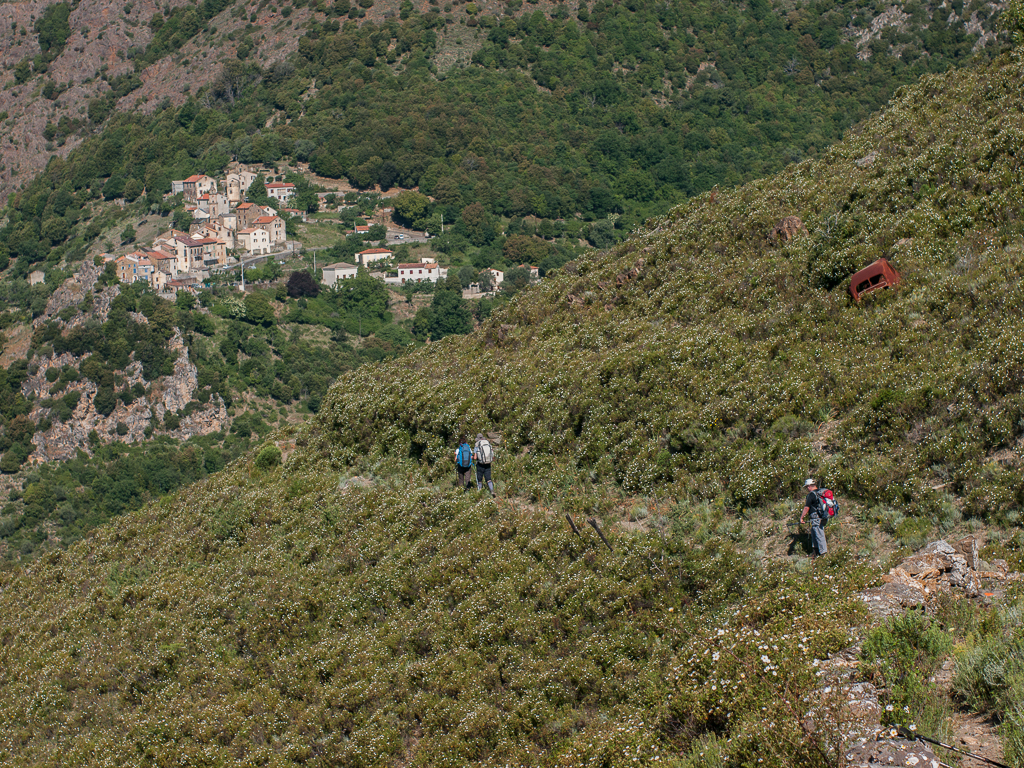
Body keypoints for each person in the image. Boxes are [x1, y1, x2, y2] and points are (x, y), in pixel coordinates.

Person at [799, 478, 828, 557]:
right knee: (814, 532)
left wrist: (801, 517)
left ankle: (823, 553)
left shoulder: (811, 494)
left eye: (807, 487)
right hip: (822, 515)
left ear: (809, 486)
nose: (807, 489)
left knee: (819, 533)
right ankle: (815, 552)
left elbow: (806, 507)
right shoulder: (820, 493)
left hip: (816, 516)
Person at [474, 433, 495, 497]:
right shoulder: (487, 443)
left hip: (480, 464)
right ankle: (492, 490)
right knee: (488, 478)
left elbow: (475, 457)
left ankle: (479, 491)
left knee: (479, 479)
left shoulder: (477, 444)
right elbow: (492, 455)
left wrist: (473, 457)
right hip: (488, 463)